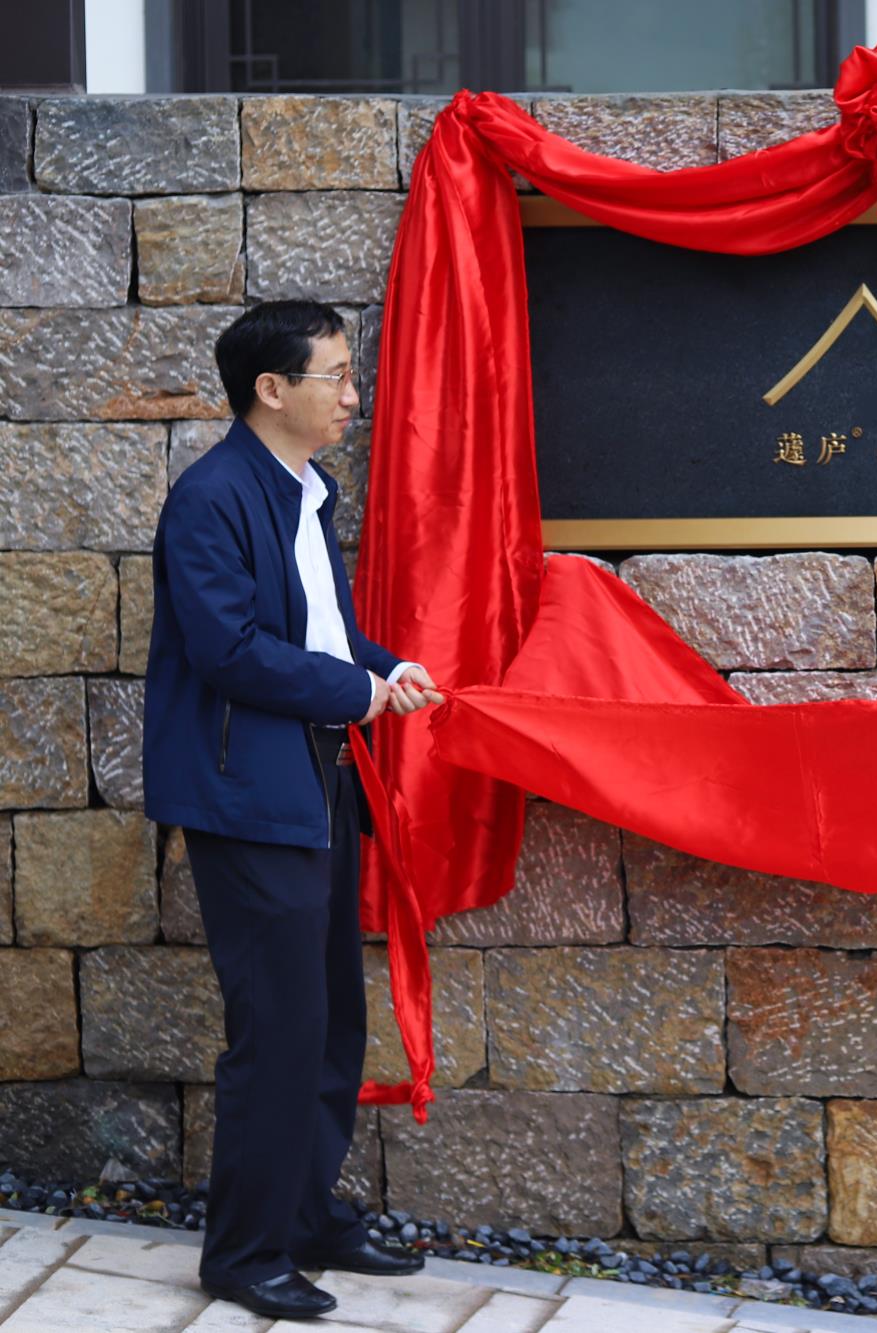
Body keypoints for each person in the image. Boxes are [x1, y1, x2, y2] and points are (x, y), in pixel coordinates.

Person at [143, 300, 444, 1321]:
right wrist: (357, 692)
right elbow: (229, 650)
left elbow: (321, 631)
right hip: (246, 792)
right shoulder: (212, 498)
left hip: (317, 779)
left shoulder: (306, 489)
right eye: (337, 375)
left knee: (327, 1017)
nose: (353, 394)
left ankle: (304, 1214)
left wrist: (386, 667)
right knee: (275, 1027)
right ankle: (243, 1253)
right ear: (271, 390)